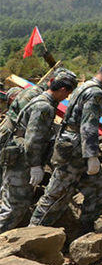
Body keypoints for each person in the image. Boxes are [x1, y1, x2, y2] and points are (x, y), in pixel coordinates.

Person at [29, 57, 102, 232]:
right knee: (56, 194)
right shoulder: (95, 92)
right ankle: (30, 235)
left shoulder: (84, 86)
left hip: (72, 144)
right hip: (75, 151)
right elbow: (89, 125)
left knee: (98, 188)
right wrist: (92, 156)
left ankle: (83, 231)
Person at [0, 70, 77, 232]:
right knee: (15, 207)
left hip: (18, 156)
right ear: (63, 90)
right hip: (22, 161)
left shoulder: (39, 99)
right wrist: (35, 165)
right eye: (67, 94)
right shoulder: (44, 107)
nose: (66, 98)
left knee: (9, 201)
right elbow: (33, 139)